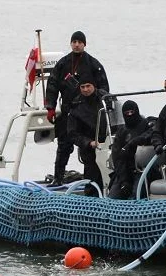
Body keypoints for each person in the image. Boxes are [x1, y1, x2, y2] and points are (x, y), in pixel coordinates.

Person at [44, 31, 110, 183]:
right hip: (68, 112)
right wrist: (50, 107)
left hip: (89, 114)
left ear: (84, 44)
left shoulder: (94, 64)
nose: (76, 44)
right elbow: (52, 85)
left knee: (91, 149)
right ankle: (58, 178)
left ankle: (96, 181)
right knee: (63, 147)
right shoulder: (62, 64)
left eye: (80, 42)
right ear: (70, 43)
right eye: (74, 41)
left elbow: (105, 90)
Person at [107, 100, 158, 200]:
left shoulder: (147, 124)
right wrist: (124, 181)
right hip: (126, 172)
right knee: (112, 198)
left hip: (145, 170)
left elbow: (153, 132)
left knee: (135, 196)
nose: (130, 115)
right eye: (127, 113)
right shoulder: (121, 133)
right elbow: (118, 159)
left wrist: (134, 142)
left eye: (132, 112)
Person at [65, 79, 109, 193]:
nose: (85, 89)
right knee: (92, 181)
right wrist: (88, 142)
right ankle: (91, 200)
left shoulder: (106, 98)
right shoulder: (76, 105)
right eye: (82, 87)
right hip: (90, 149)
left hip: (110, 144)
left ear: (94, 85)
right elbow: (72, 133)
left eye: (88, 86)